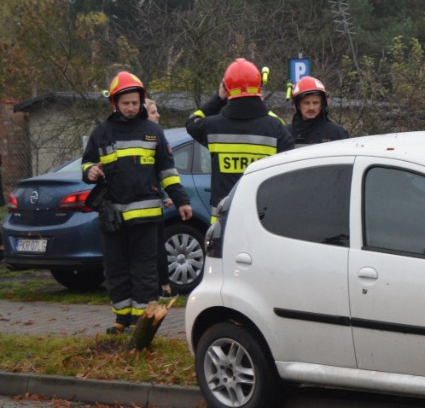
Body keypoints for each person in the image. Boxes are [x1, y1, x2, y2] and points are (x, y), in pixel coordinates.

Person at [82, 72, 193, 334]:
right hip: (113, 217)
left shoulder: (153, 133)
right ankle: (122, 318)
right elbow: (86, 163)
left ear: (141, 102)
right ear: (115, 104)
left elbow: (168, 172)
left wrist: (182, 201)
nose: (131, 108)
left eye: (135, 102)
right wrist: (90, 172)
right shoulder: (102, 132)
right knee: (115, 268)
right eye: (126, 103)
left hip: (145, 217)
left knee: (143, 270)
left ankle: (140, 321)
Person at [186, 58, 294, 217]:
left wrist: (218, 98)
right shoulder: (275, 127)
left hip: (223, 221)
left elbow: (192, 121)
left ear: (227, 89)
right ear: (259, 89)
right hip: (262, 217)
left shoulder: (213, 126)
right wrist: (260, 104)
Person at [145, 98, 175, 298]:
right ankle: (159, 286)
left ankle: (163, 285)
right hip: (144, 204)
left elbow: (161, 171)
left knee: (158, 246)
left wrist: (165, 194)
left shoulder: (157, 137)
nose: (158, 115)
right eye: (154, 112)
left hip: (153, 202)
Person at [288, 76, 349, 145]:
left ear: (322, 105)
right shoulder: (286, 133)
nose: (311, 108)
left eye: (315, 103)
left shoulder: (337, 133)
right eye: (306, 103)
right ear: (298, 105)